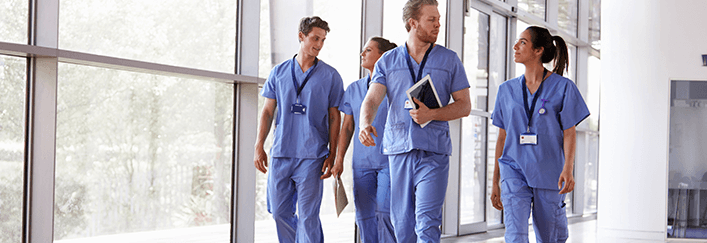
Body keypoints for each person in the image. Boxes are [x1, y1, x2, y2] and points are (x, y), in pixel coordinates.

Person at [358, 0, 471, 242]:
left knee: (427, 222)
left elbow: (464, 105)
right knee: (402, 224)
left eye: (439, 19)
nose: (438, 24)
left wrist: (432, 114)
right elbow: (372, 99)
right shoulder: (387, 61)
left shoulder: (449, 59)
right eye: (432, 19)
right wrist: (364, 122)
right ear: (413, 23)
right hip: (399, 151)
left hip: (434, 152)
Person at [489, 26, 590, 243]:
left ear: (538, 50)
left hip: (549, 171)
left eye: (522, 42)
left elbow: (569, 133)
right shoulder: (506, 90)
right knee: (515, 236)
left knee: (550, 237)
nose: (515, 46)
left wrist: (568, 169)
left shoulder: (563, 87)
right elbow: (502, 137)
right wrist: (495, 180)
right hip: (513, 169)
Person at [253, 16, 343, 243]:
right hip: (281, 152)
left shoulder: (330, 76)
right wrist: (259, 145)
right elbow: (267, 112)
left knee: (308, 216)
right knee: (280, 212)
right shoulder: (279, 72)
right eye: (315, 38)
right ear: (301, 36)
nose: (319, 44)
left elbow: (335, 116)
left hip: (312, 155)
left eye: (323, 40)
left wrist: (333, 153)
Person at [331, 37, 398, 243]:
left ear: (382, 56)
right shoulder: (353, 88)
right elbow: (347, 127)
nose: (362, 54)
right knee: (365, 217)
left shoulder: (395, 87)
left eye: (368, 50)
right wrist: (339, 159)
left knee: (385, 214)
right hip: (361, 164)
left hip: (390, 161)